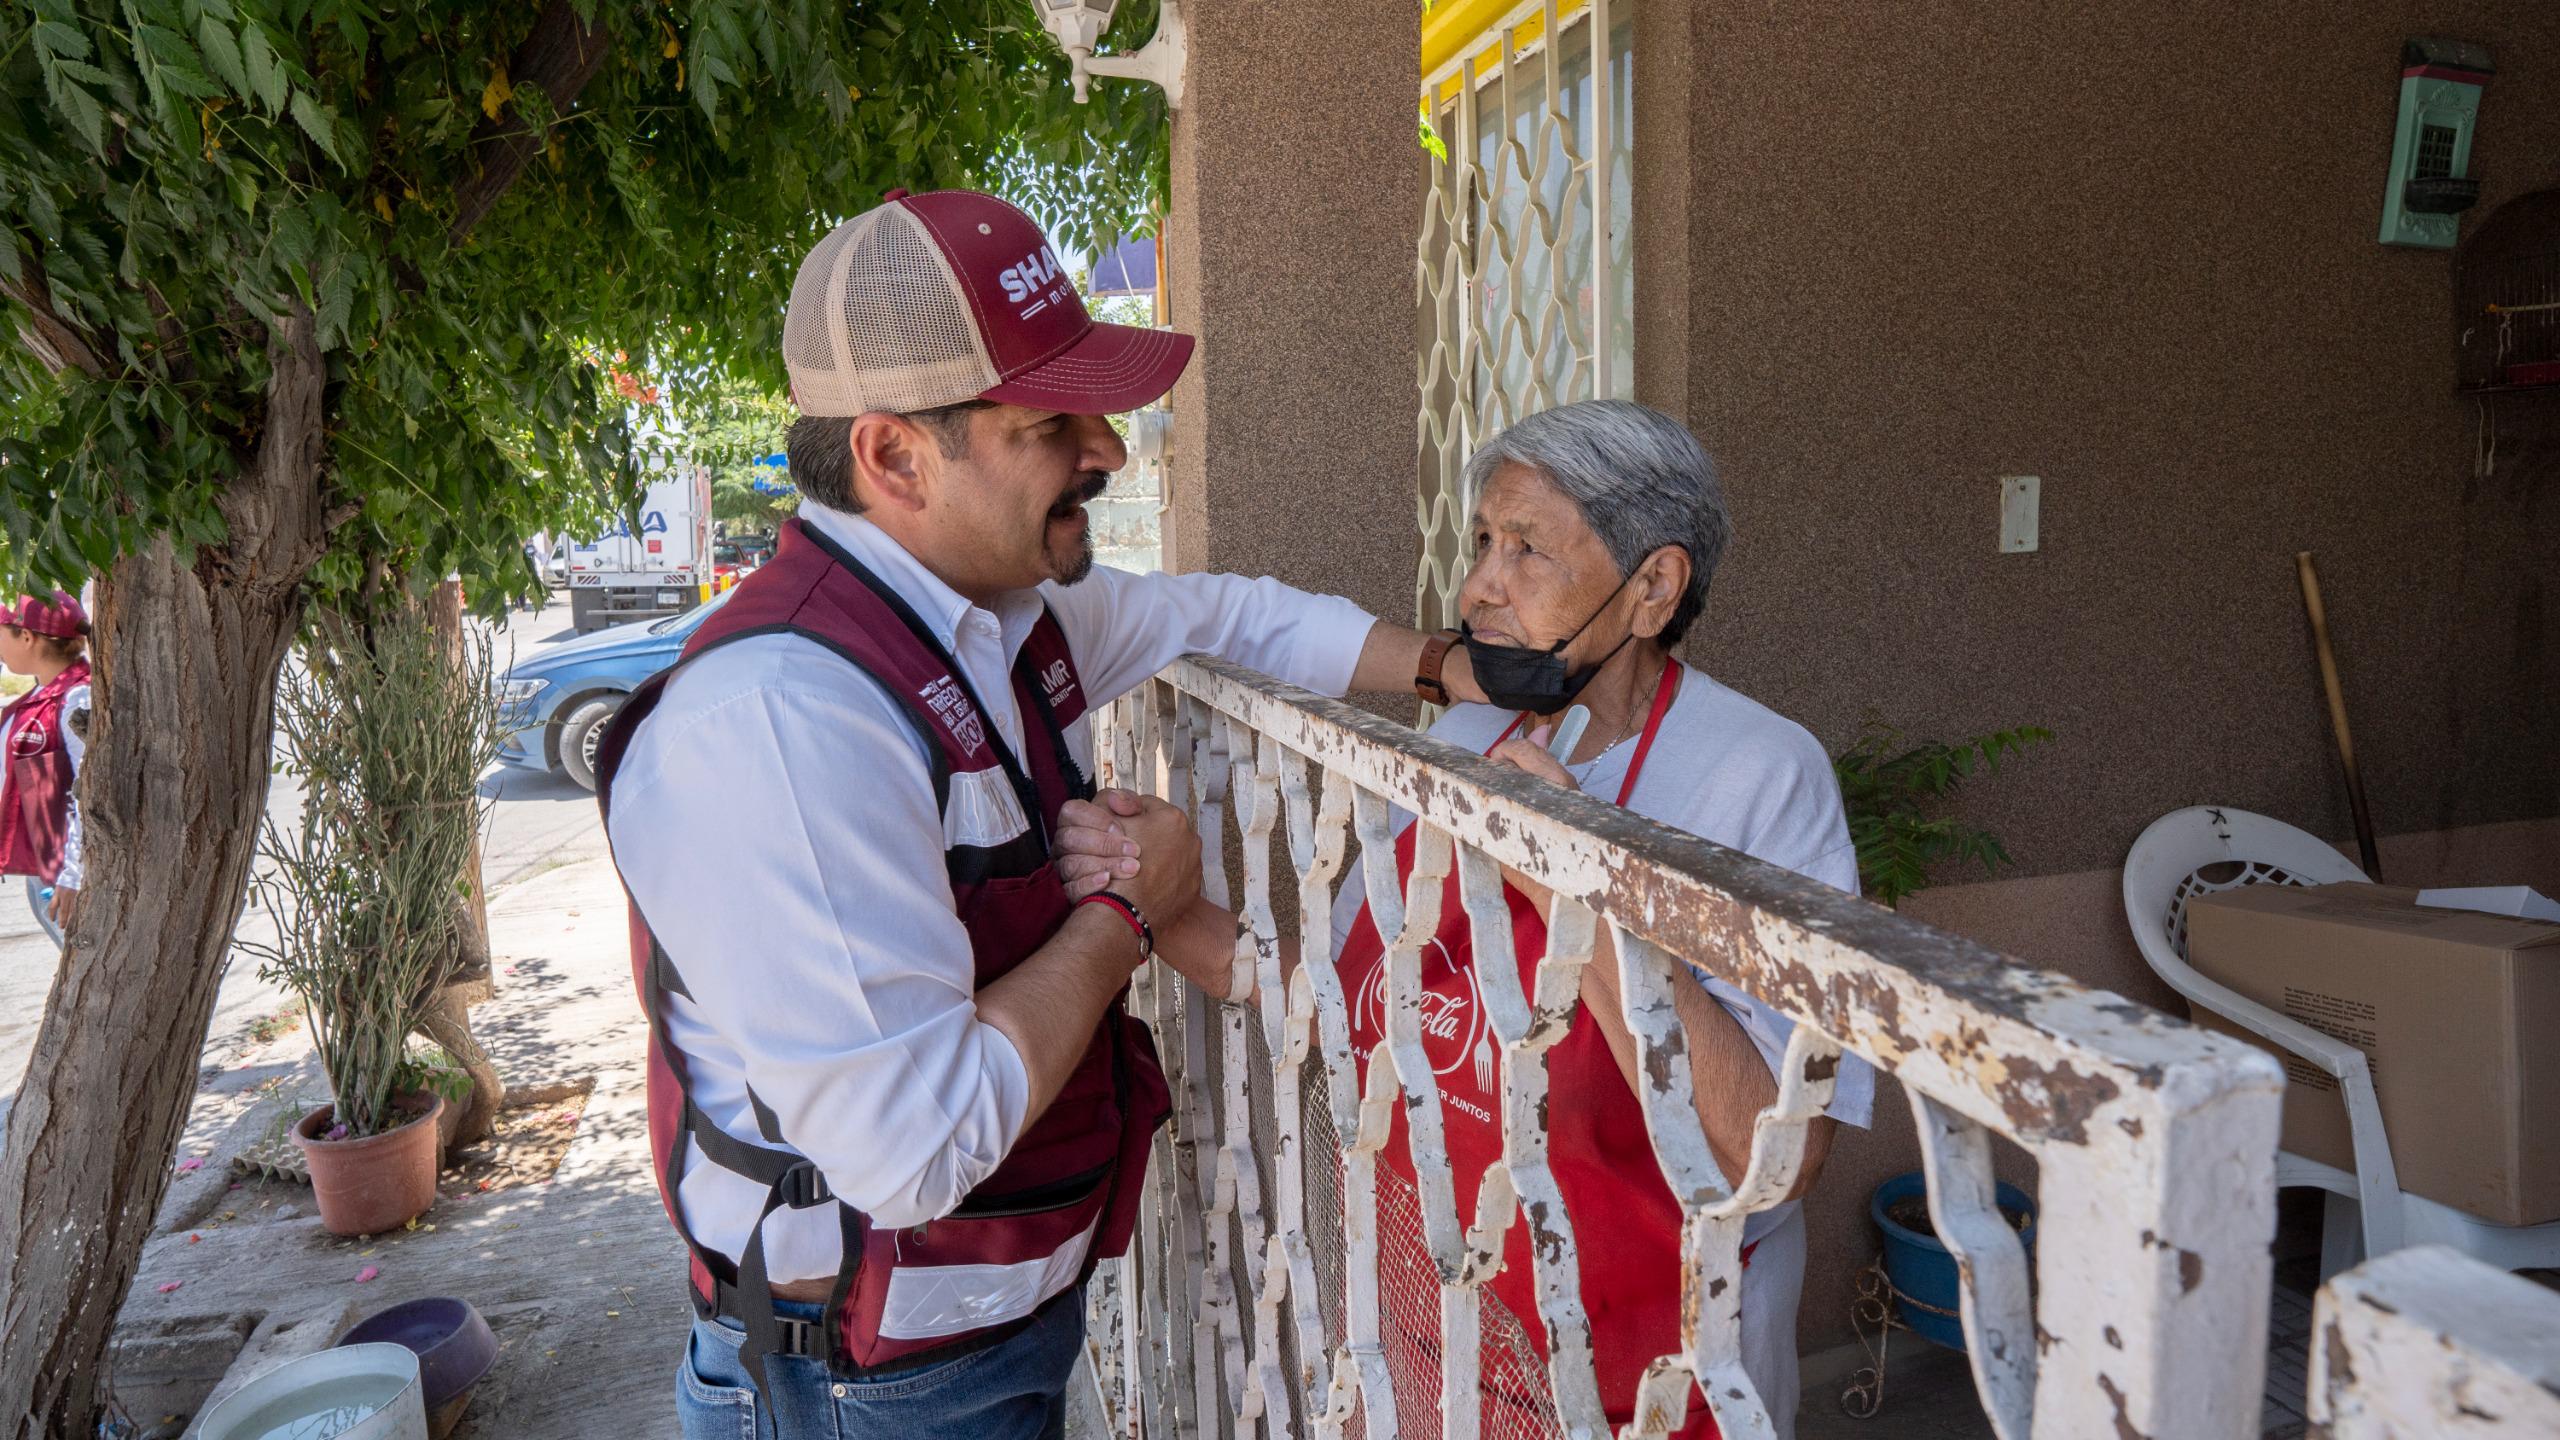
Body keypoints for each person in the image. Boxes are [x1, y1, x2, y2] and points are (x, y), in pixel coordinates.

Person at [595, 188, 1486, 1440]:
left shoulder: (1006, 615)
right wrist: (1132, 909)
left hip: (981, 1335)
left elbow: (1225, 614)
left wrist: (1448, 666)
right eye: (1051, 422)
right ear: (895, 455)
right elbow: (909, 1154)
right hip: (858, 1390)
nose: (1108, 448)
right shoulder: (786, 723)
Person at [1059, 400, 1872, 1440]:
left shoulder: (1759, 773)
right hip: (1435, 1320)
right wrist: (1158, 903)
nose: (1477, 585)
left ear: (1653, 587)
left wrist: (1570, 881)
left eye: (1526, 548)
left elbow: (1777, 1159)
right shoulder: (1471, 733)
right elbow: (1351, 992)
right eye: (1483, 540)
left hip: (1656, 1370)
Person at [0, 592, 94, 948]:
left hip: (66, 871)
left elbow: (87, 791)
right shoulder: (39, 697)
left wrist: (74, 873)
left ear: (27, 637)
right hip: (44, 866)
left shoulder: (76, 699)